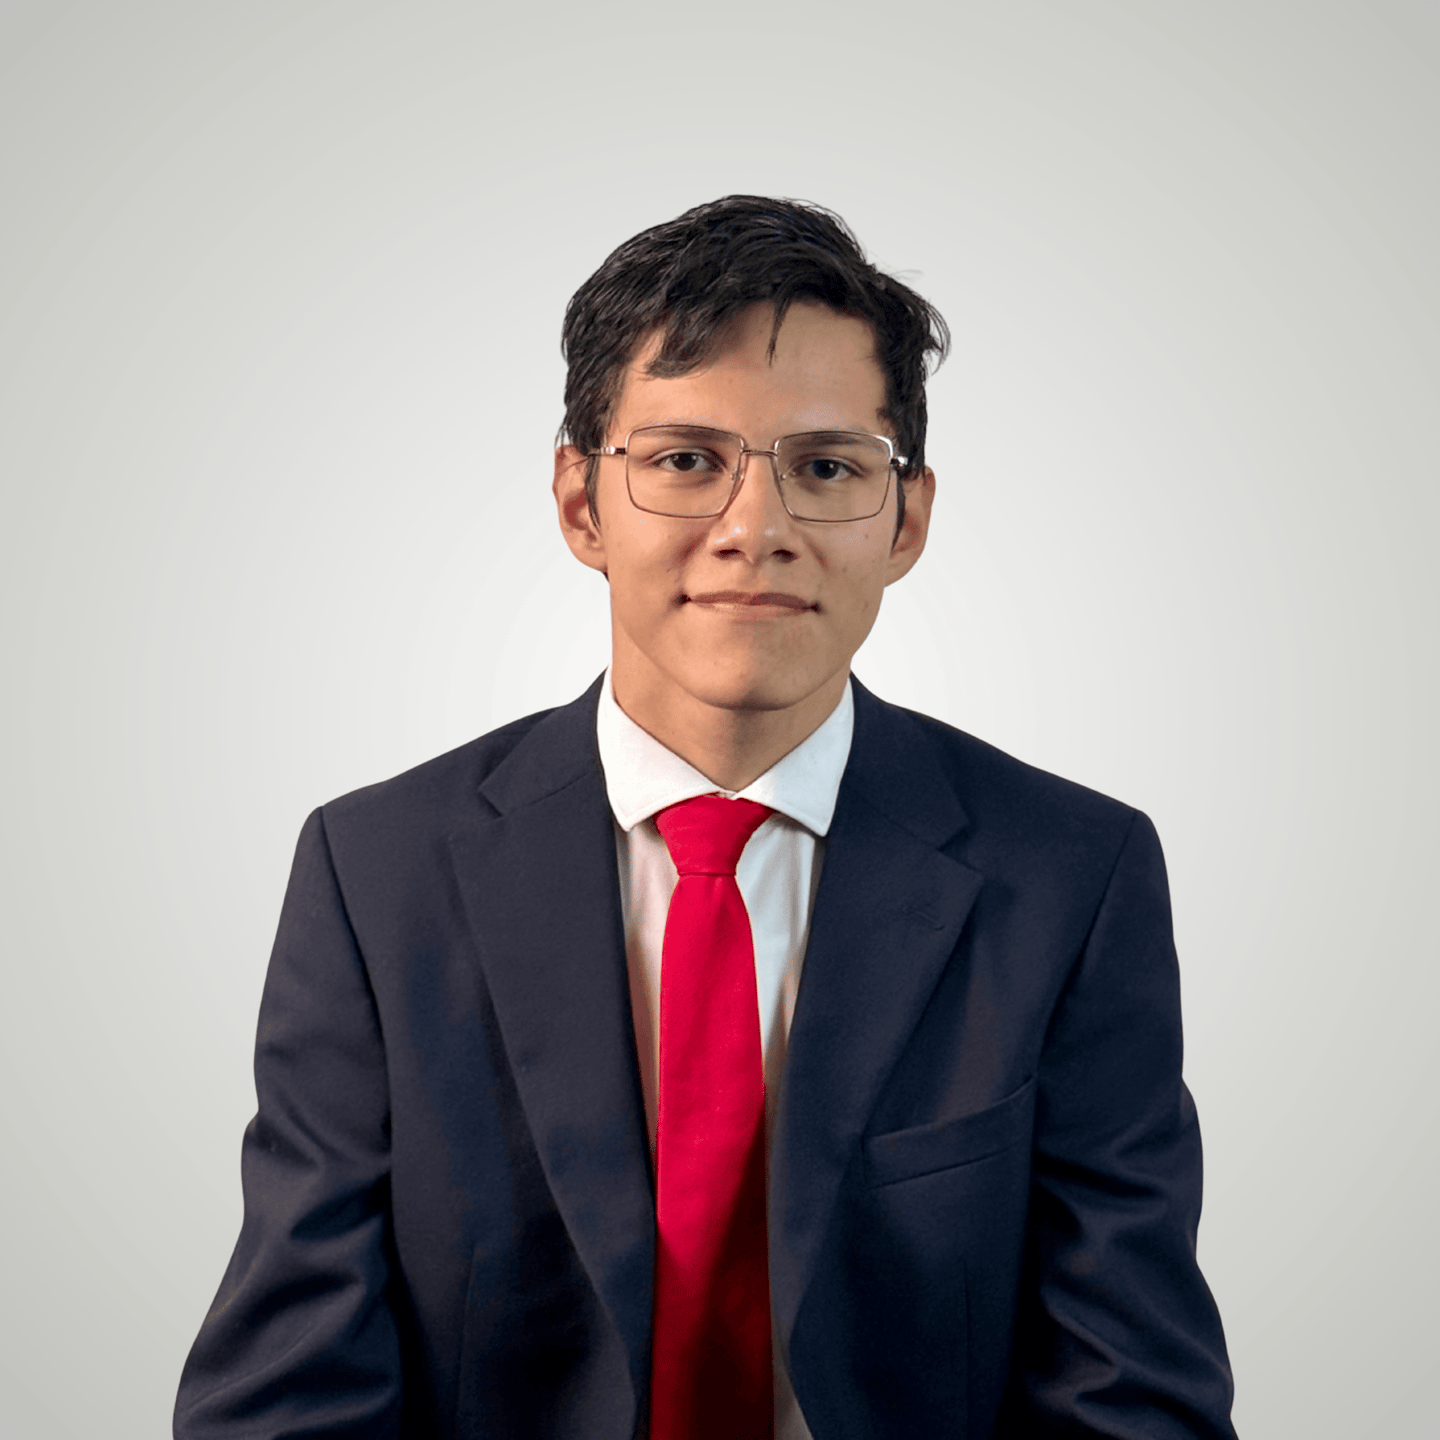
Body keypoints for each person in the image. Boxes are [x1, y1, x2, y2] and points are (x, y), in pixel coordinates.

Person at [175, 196, 1237, 1440]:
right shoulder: (378, 874)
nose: (756, 531)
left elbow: (1133, 1395)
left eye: (827, 468)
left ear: (907, 518)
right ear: (582, 503)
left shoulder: (1071, 877)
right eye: (686, 461)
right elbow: (287, 1400)